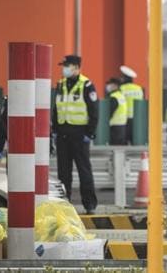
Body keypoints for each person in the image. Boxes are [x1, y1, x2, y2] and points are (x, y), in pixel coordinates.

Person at [52, 55, 98, 214]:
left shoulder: (86, 85)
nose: (64, 69)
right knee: (63, 173)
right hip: (63, 135)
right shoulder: (60, 84)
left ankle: (89, 205)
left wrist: (89, 134)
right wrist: (55, 131)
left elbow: (94, 111)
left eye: (67, 66)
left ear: (77, 68)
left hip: (80, 135)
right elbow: (56, 109)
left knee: (84, 171)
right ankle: (64, 204)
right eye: (64, 66)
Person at [119, 65, 144, 144]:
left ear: (125, 78)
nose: (120, 79)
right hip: (137, 118)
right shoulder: (139, 88)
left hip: (125, 118)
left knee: (124, 141)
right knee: (135, 141)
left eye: (122, 77)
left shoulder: (121, 88)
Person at [105, 78, 128, 145]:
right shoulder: (121, 95)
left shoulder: (113, 97)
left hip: (114, 126)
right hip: (122, 126)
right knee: (120, 148)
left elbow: (109, 112)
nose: (108, 86)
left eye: (110, 85)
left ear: (115, 86)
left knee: (114, 148)